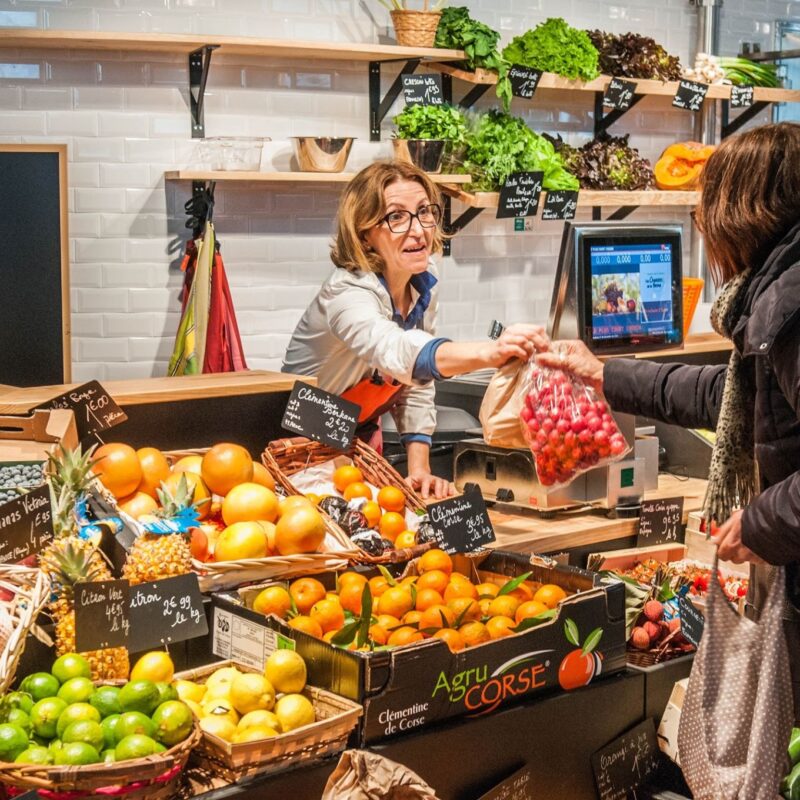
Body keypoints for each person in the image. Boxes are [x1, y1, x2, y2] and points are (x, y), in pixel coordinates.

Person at [537, 121, 800, 716]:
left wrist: (760, 525)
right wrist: (604, 372)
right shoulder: (776, 291)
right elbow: (730, 398)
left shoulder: (786, 305)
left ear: (739, 212)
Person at [283, 160, 548, 499]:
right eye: (396, 217)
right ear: (365, 235)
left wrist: (419, 469)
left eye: (424, 212)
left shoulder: (423, 281)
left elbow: (415, 380)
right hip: (304, 445)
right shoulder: (346, 293)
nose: (419, 230)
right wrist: (487, 352)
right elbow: (397, 350)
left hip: (359, 439)